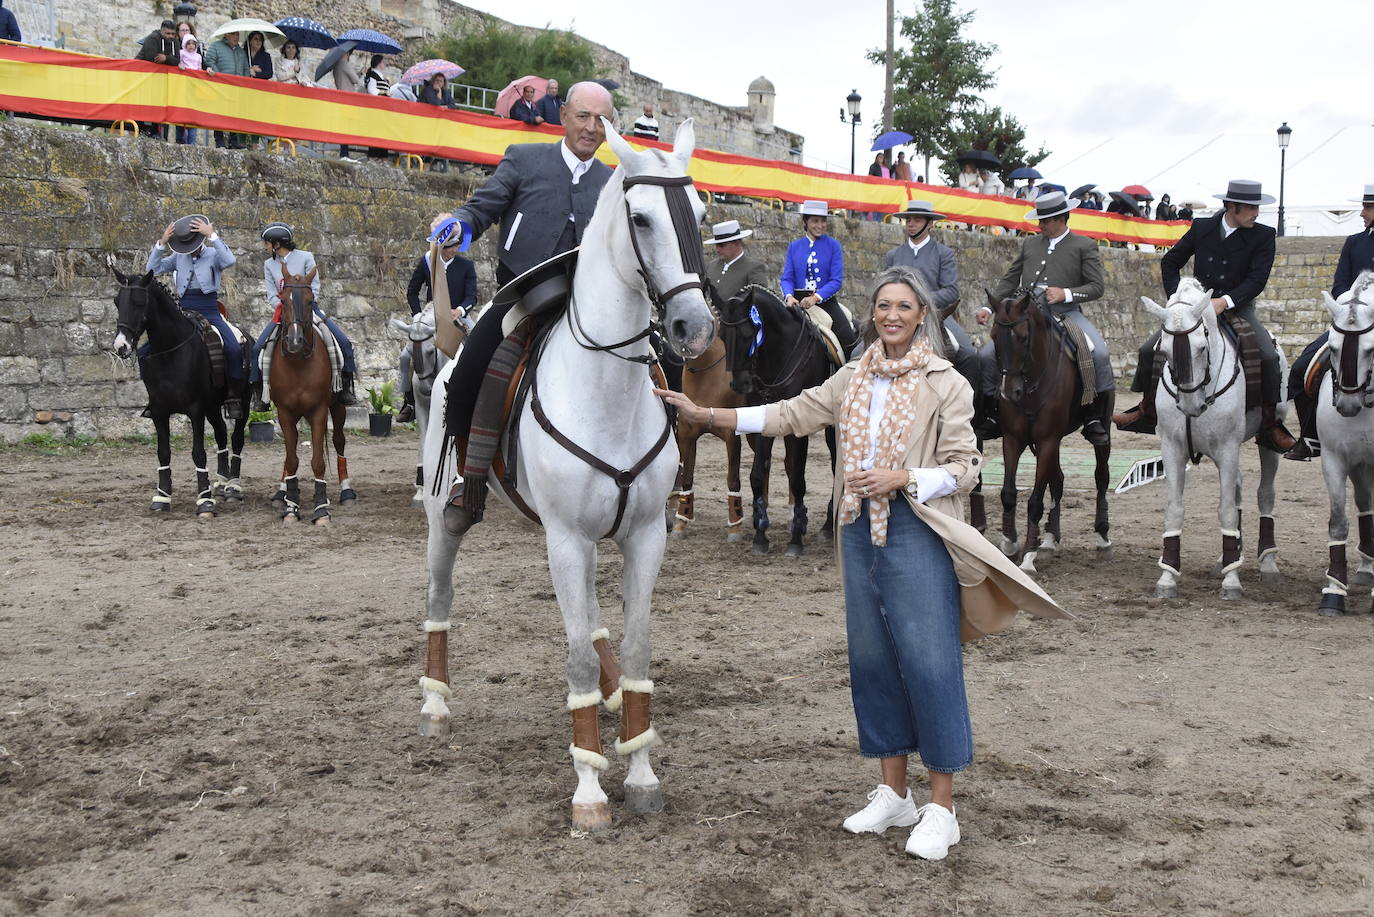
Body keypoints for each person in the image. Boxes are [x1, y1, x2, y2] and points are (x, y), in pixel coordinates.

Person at [655, 265, 1066, 862]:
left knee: (929, 662)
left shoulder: (947, 382)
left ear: (921, 314)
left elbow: (966, 464)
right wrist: (709, 415)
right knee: (872, 660)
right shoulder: (852, 375)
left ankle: (943, 808)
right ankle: (894, 792)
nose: (891, 316)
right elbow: (790, 413)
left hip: (917, 529)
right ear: (873, 315)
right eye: (883, 307)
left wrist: (905, 477)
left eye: (903, 306)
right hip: (854, 528)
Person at [439, 82, 616, 531]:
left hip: (591, 310)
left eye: (601, 120)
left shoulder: (615, 182)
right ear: (563, 116)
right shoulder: (524, 158)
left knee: (659, 366)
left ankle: (659, 482)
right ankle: (468, 477)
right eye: (582, 116)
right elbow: (481, 209)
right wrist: (459, 223)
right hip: (523, 301)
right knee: (465, 377)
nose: (591, 128)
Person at [1114, 179, 1295, 451]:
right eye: (1250, 207)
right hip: (1195, 310)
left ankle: (1269, 424)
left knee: (1268, 356)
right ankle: (1147, 409)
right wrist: (1181, 303)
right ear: (1231, 206)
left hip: (1238, 309)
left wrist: (1226, 300)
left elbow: (1257, 280)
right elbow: (1170, 262)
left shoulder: (1264, 235)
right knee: (1148, 349)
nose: (1256, 212)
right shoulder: (1202, 227)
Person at [974, 191, 1114, 445]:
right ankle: (991, 413)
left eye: (1046, 220)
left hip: (1066, 313)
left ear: (1061, 218)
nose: (1041, 226)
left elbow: (1097, 287)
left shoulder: (1084, 245)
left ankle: (1094, 415)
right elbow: (1010, 278)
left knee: (1099, 352)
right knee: (986, 355)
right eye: (1040, 220)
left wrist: (1066, 293)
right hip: (1026, 314)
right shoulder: (1030, 244)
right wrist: (989, 307)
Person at [1284, 184, 1374, 461]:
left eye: (1368, 208)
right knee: (1301, 369)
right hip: (1351, 323)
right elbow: (1339, 284)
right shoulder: (1354, 242)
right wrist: (1349, 307)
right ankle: (1310, 437)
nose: (1362, 213)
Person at [144, 215, 245, 418]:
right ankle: (153, 397)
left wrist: (212, 235)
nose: (188, 250)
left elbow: (230, 260)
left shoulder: (214, 254)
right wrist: (161, 243)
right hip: (183, 310)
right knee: (144, 352)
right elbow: (151, 270)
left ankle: (233, 396)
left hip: (209, 309)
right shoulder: (178, 257)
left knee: (233, 348)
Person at [249, 222, 357, 410]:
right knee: (257, 348)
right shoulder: (269, 264)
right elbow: (271, 293)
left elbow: (314, 287)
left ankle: (345, 386)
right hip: (284, 312)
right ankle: (260, 394)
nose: (265, 247)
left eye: (267, 243)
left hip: (309, 309)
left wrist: (303, 306)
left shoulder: (306, 258)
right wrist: (284, 308)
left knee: (343, 342)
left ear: (276, 244)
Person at [883, 200, 979, 400]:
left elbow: (951, 291)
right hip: (896, 316)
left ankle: (972, 413)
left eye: (917, 220)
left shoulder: (944, 253)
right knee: (858, 351)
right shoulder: (894, 255)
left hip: (936, 315)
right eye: (908, 220)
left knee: (969, 354)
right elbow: (883, 289)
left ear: (929, 224)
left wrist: (920, 302)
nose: (911, 224)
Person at [398, 214, 477, 421]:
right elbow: (412, 292)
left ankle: (476, 395)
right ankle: (409, 402)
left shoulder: (466, 266)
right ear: (443, 246)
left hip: (458, 316)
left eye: (457, 246)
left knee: (478, 345)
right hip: (430, 317)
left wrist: (460, 310)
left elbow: (472, 296)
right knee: (405, 357)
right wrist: (417, 316)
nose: (455, 250)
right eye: (451, 246)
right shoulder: (427, 263)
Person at [780, 200, 858, 358]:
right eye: (815, 221)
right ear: (805, 222)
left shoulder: (833, 245)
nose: (820, 225)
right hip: (797, 301)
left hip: (825, 302)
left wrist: (815, 298)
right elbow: (787, 278)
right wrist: (789, 297)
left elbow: (836, 281)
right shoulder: (794, 246)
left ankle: (849, 375)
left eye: (823, 221)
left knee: (848, 338)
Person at [203, 30, 249, 149]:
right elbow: (209, 60)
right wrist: (219, 76)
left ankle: (233, 141)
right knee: (219, 113)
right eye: (233, 34)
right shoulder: (216, 46)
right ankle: (219, 140)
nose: (236, 37)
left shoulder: (241, 51)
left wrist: (245, 79)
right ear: (226, 35)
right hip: (220, 86)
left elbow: (245, 68)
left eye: (237, 34)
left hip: (237, 88)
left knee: (234, 113)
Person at [326, 48, 362, 163]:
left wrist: (360, 73)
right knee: (347, 127)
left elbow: (348, 78)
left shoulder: (337, 65)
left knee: (344, 126)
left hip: (342, 97)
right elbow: (355, 80)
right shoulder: (344, 63)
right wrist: (361, 74)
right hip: (348, 99)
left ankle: (344, 152)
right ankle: (344, 153)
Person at [175, 35, 202, 145]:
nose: (191, 46)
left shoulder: (198, 57)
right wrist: (179, 66)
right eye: (188, 43)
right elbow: (178, 63)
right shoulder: (181, 53)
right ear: (184, 44)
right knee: (181, 114)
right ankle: (180, 139)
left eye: (193, 43)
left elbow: (200, 68)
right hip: (183, 87)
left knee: (192, 115)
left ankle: (192, 142)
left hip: (194, 88)